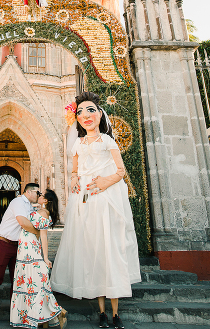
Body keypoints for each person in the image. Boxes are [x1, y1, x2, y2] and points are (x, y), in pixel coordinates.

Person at [51, 92, 141, 329]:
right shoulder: (78, 143)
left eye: (90, 110)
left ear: (100, 114)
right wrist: (72, 178)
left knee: (108, 246)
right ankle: (101, 311)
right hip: (85, 200)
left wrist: (104, 182)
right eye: (79, 112)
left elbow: (120, 171)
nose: (85, 115)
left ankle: (115, 313)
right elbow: (75, 168)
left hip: (106, 197)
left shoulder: (108, 141)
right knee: (92, 248)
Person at [0, 183, 42, 327]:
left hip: (18, 247)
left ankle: (15, 312)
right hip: (4, 244)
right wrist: (39, 233)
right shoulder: (18, 202)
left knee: (17, 281)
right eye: (37, 193)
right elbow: (23, 222)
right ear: (28, 192)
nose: (39, 195)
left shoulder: (29, 206)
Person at [11, 189, 67, 328]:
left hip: (30, 249)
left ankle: (57, 313)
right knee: (31, 284)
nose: (39, 196)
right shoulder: (39, 210)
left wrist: (46, 257)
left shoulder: (43, 213)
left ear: (46, 201)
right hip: (24, 248)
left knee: (35, 285)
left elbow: (43, 236)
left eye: (41, 195)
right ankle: (44, 321)